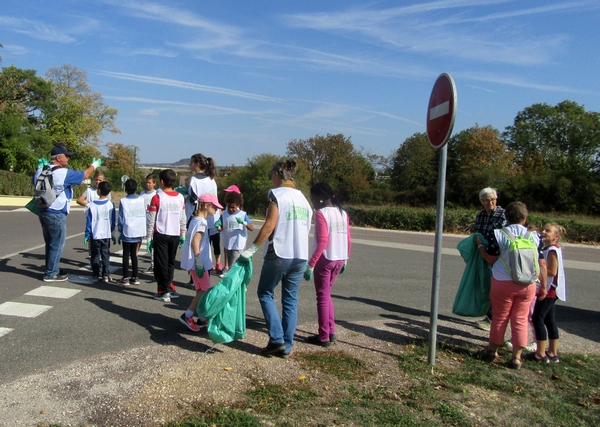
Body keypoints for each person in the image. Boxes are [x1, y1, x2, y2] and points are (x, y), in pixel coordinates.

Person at [240, 159, 312, 358]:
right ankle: (287, 345)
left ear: (278, 175)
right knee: (290, 300)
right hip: (300, 256)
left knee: (265, 292)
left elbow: (270, 225)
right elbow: (306, 232)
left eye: (272, 176)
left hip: (279, 252)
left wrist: (253, 248)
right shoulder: (304, 200)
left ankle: (276, 339)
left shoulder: (276, 195)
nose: (271, 180)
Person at [475, 201, 547, 370]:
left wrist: (479, 245)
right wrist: (542, 285)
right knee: (520, 319)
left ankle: (492, 350)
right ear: (525, 217)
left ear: (506, 217)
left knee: (500, 317)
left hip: (503, 281)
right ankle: (516, 357)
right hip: (528, 284)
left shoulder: (499, 234)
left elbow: (490, 258)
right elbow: (541, 263)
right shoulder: (534, 236)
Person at [34, 145, 100, 282]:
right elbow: (85, 175)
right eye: (66, 156)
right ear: (58, 158)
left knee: (50, 243)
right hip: (56, 212)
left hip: (42, 210)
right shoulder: (63, 173)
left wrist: (41, 167)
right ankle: (51, 273)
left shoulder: (41, 170)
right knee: (57, 243)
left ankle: (52, 268)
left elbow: (34, 183)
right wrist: (94, 165)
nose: (68, 158)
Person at [304, 183, 351, 347]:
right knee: (327, 294)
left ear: (321, 198)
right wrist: (346, 258)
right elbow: (348, 238)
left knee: (322, 297)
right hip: (339, 258)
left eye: (313, 198)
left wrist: (311, 264)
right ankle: (331, 331)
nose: (313, 202)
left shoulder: (321, 213)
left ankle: (323, 336)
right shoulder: (342, 213)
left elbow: (323, 240)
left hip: (326, 258)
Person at [179, 194, 223, 332]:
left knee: (201, 290)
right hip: (199, 263)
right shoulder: (202, 222)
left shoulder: (194, 219)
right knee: (204, 290)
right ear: (206, 205)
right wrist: (199, 261)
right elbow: (194, 242)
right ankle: (188, 315)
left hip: (194, 262)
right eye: (214, 206)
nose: (216, 210)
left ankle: (202, 318)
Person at [526, 223, 567, 364]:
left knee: (538, 319)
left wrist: (536, 270)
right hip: (552, 289)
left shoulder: (552, 250)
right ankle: (553, 353)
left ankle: (540, 354)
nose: (543, 232)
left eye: (547, 231)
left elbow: (552, 271)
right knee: (550, 320)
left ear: (556, 236)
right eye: (543, 229)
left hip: (549, 290)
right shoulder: (549, 249)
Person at [147, 169, 186, 302]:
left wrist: (149, 238)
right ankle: (169, 288)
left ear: (162, 182)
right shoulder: (180, 197)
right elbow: (183, 218)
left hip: (161, 234)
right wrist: (183, 233)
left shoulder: (157, 197)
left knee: (160, 265)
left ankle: (164, 291)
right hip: (175, 235)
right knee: (170, 263)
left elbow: (151, 220)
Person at [474, 187, 508, 331]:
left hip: (499, 256)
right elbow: (478, 232)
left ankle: (492, 318)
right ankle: (489, 315)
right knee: (487, 286)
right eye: (487, 200)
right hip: (484, 253)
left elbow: (504, 235)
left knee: (496, 288)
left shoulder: (503, 214)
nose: (490, 203)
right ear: (481, 201)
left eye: (493, 200)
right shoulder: (481, 215)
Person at [186, 153, 223, 275]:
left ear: (197, 164)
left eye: (191, 163)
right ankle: (206, 271)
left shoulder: (194, 180)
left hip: (199, 217)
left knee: (197, 246)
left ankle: (196, 277)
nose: (189, 165)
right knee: (206, 247)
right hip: (213, 217)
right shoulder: (211, 179)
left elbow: (194, 199)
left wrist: (185, 195)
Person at [84, 181, 116, 283]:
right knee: (105, 254)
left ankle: (95, 274)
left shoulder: (92, 205)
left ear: (99, 191)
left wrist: (87, 234)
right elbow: (112, 221)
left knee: (95, 255)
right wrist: (112, 233)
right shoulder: (110, 204)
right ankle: (105, 274)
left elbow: (89, 221)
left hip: (95, 234)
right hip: (106, 234)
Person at [116, 179, 146, 286]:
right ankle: (135, 276)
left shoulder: (123, 201)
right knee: (134, 254)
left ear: (126, 188)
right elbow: (144, 215)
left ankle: (125, 277)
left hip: (127, 230)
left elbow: (120, 218)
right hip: (138, 230)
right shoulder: (141, 200)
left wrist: (120, 230)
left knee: (125, 254)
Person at [76, 169, 110, 259]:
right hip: (92, 219)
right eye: (96, 180)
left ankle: (103, 260)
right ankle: (93, 259)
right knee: (93, 242)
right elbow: (79, 200)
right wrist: (89, 205)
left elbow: (108, 204)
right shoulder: (89, 190)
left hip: (102, 219)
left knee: (103, 243)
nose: (98, 182)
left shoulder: (105, 190)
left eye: (100, 180)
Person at [220, 187, 254, 277]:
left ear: (238, 205)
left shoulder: (242, 214)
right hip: (228, 244)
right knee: (233, 265)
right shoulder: (224, 214)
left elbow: (251, 228)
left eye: (233, 208)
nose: (230, 209)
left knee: (232, 266)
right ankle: (239, 282)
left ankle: (232, 286)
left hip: (238, 244)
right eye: (229, 207)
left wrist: (244, 222)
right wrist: (218, 227)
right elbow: (220, 226)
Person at [140, 173, 157, 273]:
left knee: (152, 244)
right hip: (142, 222)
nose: (147, 184)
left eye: (149, 183)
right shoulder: (142, 193)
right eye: (146, 182)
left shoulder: (156, 194)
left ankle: (153, 265)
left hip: (152, 223)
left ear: (154, 183)